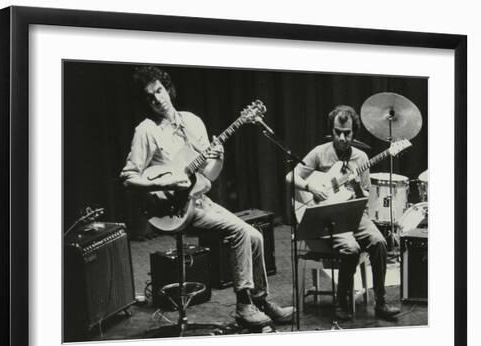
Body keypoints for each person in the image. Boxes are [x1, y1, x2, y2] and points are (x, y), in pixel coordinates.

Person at [120, 65, 293, 328]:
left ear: (168, 89)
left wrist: (218, 159)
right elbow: (129, 177)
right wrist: (168, 181)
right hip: (172, 211)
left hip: (199, 200)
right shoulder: (146, 130)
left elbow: (208, 176)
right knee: (241, 233)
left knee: (256, 235)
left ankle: (260, 299)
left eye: (159, 90)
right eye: (150, 96)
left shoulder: (192, 122)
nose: (157, 99)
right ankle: (243, 306)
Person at [287, 105, 400, 321]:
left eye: (347, 133)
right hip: (327, 215)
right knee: (350, 248)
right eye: (337, 132)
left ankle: (381, 301)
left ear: (353, 132)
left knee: (379, 242)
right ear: (332, 130)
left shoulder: (362, 157)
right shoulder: (320, 152)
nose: (341, 137)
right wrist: (312, 188)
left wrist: (357, 188)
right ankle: (342, 301)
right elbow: (290, 177)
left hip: (354, 213)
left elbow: (365, 195)